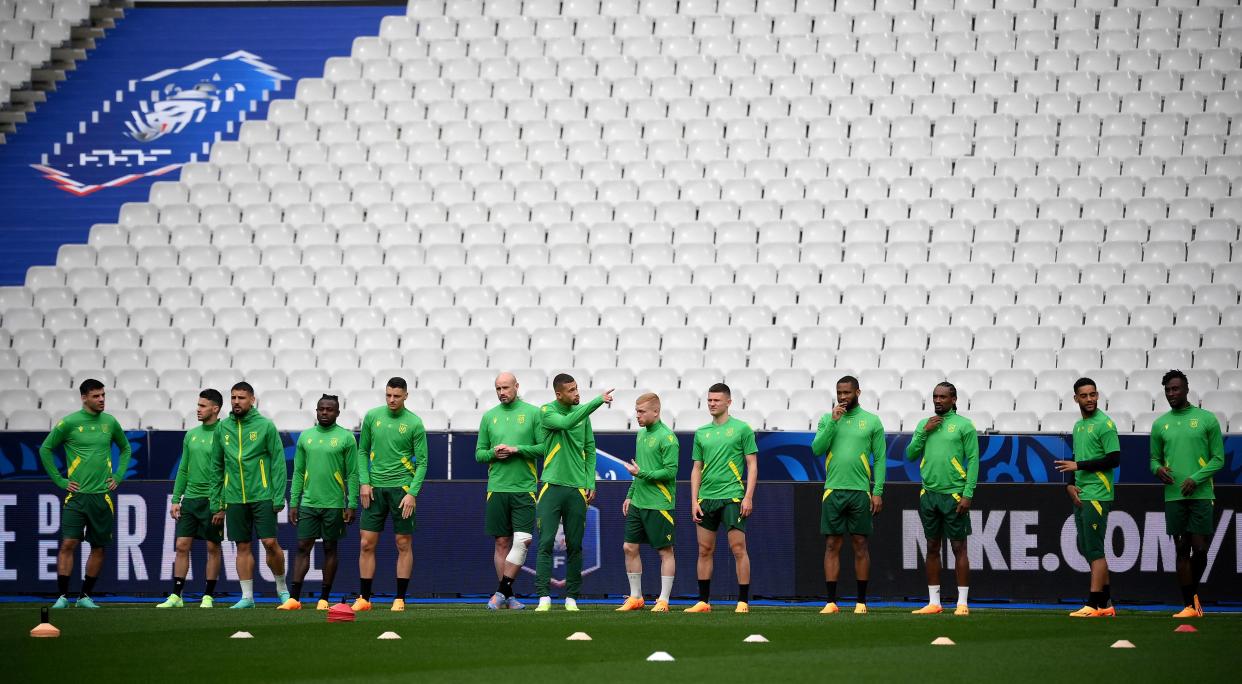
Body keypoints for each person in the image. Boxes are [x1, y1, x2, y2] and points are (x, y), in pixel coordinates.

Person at [40, 378, 132, 608]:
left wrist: (119, 476)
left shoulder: (110, 422)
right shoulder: (69, 423)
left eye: (103, 395)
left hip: (102, 496)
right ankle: (62, 596)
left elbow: (126, 448)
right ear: (84, 398)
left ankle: (84, 596)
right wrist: (60, 481)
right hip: (76, 497)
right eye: (96, 396)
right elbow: (45, 449)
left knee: (98, 547)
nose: (101, 400)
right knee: (69, 544)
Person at [533, 373, 613, 611]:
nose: (577, 393)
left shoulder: (583, 416)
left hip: (577, 488)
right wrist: (597, 401)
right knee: (546, 542)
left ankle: (572, 598)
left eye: (577, 388)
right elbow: (566, 423)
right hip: (551, 486)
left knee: (576, 545)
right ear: (559, 394)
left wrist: (590, 482)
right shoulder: (547, 411)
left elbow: (589, 449)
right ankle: (543, 598)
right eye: (571, 390)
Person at [1149, 370, 1225, 618]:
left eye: (1175, 389)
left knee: (1200, 549)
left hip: (1201, 493)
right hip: (1174, 496)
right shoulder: (1160, 424)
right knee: (1181, 548)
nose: (1171, 394)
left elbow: (1218, 459)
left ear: (1186, 389)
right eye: (1168, 390)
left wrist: (1196, 478)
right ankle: (1189, 606)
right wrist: (1158, 469)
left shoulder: (1206, 419)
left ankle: (1192, 597)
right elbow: (1153, 459)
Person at [811, 375, 886, 615]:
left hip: (860, 492)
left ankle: (861, 602)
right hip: (833, 490)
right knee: (832, 544)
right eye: (839, 393)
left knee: (860, 545)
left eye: (847, 393)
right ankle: (831, 602)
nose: (843, 397)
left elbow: (881, 459)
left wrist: (878, 491)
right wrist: (833, 422)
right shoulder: (827, 419)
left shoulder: (872, 421)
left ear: (858, 393)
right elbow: (817, 449)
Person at [353, 377, 428, 612]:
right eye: (388, 395)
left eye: (396, 396)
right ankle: (364, 599)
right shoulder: (373, 417)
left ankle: (399, 599)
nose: (392, 400)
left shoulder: (414, 423)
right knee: (366, 543)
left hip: (402, 491)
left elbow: (423, 462)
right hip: (374, 489)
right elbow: (362, 451)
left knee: (403, 542)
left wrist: (412, 493)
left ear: (406, 395)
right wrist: (364, 482)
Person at [905, 382, 978, 616]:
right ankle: (934, 603)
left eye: (943, 397)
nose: (938, 400)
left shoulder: (964, 425)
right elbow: (910, 454)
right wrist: (923, 431)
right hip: (929, 494)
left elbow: (974, 460)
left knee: (959, 547)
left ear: (954, 399)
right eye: (935, 396)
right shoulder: (924, 424)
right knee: (932, 547)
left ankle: (962, 603)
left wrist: (968, 494)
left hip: (954, 494)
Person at [686, 383, 758, 613]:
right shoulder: (701, 433)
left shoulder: (742, 429)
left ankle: (743, 601)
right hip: (707, 499)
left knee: (738, 549)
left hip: (732, 497)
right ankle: (703, 602)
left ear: (729, 402)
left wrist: (748, 497)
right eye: (709, 400)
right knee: (704, 550)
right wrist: (694, 500)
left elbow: (752, 465)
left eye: (716, 400)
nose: (712, 404)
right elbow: (696, 468)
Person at [216, 381, 289, 609]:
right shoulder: (222, 427)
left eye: (241, 398)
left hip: (263, 495)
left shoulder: (265, 426)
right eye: (233, 398)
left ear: (252, 400)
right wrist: (217, 500)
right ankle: (247, 597)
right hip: (235, 497)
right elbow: (216, 466)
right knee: (242, 546)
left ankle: (282, 589)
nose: (237, 402)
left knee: (269, 542)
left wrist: (278, 496)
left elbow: (278, 463)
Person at [282, 395, 358, 610]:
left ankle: (324, 598)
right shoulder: (306, 437)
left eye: (329, 409)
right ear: (316, 411)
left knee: (330, 547)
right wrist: (294, 502)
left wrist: (351, 504)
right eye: (321, 409)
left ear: (337, 413)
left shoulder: (346, 438)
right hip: (308, 502)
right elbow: (298, 472)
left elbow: (352, 474)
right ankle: (294, 598)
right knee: (302, 547)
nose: (325, 413)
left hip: (334, 504)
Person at [1053, 377, 1120, 617]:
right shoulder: (1079, 426)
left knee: (1094, 549)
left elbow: (1114, 459)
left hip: (1098, 494)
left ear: (1098, 395)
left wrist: (1078, 466)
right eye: (1084, 395)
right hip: (1083, 493)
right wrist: (1070, 485)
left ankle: (1093, 604)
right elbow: (1077, 459)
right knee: (1086, 547)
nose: (1090, 399)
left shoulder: (1105, 424)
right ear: (1076, 398)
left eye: (1093, 394)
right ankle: (1106, 604)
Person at [478, 372, 543, 611]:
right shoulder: (489, 417)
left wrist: (516, 449)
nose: (502, 392)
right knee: (502, 542)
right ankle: (507, 594)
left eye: (505, 387)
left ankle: (501, 591)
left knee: (523, 541)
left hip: (524, 488)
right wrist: (493, 454)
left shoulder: (533, 413)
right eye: (498, 388)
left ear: (517, 386)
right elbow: (479, 454)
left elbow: (543, 447)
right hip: (497, 488)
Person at [157, 389, 225, 608]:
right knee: (182, 545)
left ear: (215, 409)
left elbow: (229, 472)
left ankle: (208, 595)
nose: (198, 409)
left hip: (212, 499)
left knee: (213, 547)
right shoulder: (191, 434)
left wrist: (221, 504)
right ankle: (177, 595)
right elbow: (183, 469)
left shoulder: (225, 434)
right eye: (198, 405)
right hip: (191, 499)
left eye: (203, 406)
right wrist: (177, 499)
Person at [617, 393, 679, 613]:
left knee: (665, 551)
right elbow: (638, 468)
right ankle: (636, 597)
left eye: (642, 411)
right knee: (629, 547)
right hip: (639, 502)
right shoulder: (641, 435)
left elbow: (671, 472)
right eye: (636, 411)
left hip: (659, 503)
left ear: (656, 411)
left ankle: (663, 600)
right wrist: (630, 494)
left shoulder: (668, 438)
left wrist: (642, 473)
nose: (637, 416)